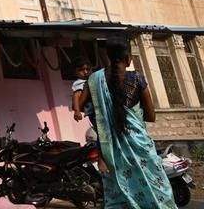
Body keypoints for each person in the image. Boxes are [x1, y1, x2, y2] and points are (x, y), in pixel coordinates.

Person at [86, 37, 174, 209]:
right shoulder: (137, 79)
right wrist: (133, 115)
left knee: (119, 199)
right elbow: (151, 116)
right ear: (128, 58)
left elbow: (95, 119)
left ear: (107, 56)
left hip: (110, 153)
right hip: (141, 149)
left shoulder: (94, 81)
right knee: (157, 194)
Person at [71, 57, 95, 126]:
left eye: (88, 69)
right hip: (92, 111)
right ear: (75, 73)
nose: (85, 72)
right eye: (81, 70)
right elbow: (76, 95)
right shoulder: (80, 83)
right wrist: (77, 111)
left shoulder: (92, 80)